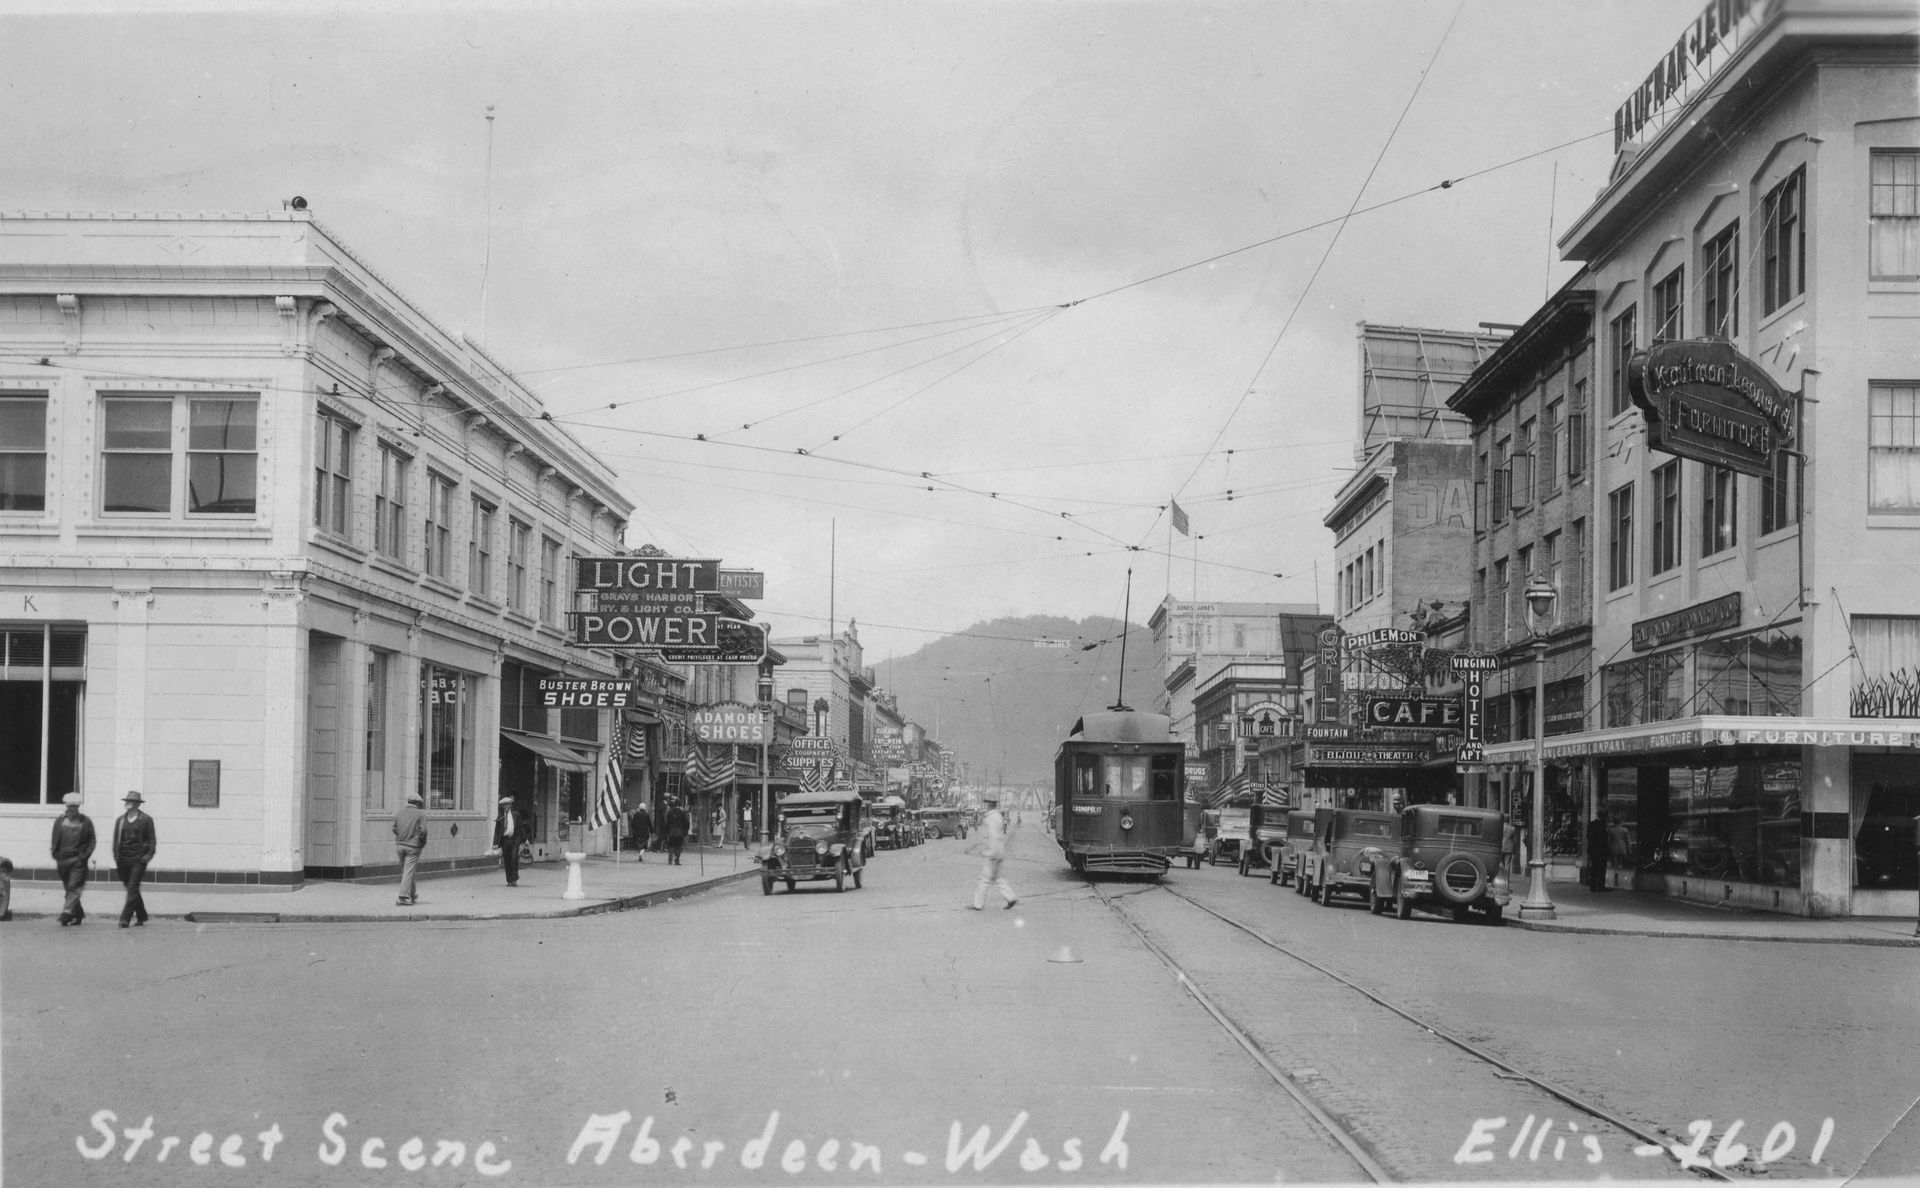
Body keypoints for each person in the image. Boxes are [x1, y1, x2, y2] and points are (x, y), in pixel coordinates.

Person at [50, 792, 96, 926]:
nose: (72, 809)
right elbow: (54, 839)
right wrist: (55, 854)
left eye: (75, 806)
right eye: (70, 806)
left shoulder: (85, 821)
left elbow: (92, 841)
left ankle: (66, 913)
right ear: (66, 806)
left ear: (78, 807)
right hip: (62, 861)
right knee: (69, 889)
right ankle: (78, 914)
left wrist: (84, 856)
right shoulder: (59, 821)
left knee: (73, 887)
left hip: (78, 860)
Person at [112, 790, 157, 927]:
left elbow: (152, 841)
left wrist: (147, 857)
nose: (127, 804)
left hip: (138, 859)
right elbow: (115, 841)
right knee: (132, 889)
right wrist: (116, 858)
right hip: (123, 860)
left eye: (130, 802)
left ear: (137, 804)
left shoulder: (146, 820)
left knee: (132, 888)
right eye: (126, 801)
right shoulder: (120, 820)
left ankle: (124, 918)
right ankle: (142, 915)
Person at [971, 794, 1018, 911]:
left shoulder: (990, 818)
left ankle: (978, 904)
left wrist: (991, 852)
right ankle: (1011, 897)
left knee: (983, 879)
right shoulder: (998, 816)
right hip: (999, 851)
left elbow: (993, 836)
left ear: (988, 805)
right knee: (997, 878)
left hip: (993, 853)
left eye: (986, 803)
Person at [393, 791, 427, 906]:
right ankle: (403, 897)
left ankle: (412, 894)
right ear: (418, 803)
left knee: (407, 871)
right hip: (413, 846)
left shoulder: (399, 813)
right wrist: (421, 842)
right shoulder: (420, 814)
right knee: (408, 871)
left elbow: (394, 829)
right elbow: (423, 831)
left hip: (400, 845)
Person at [494, 795, 530, 887]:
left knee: (514, 858)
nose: (506, 807)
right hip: (505, 841)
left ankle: (514, 879)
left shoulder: (516, 815)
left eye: (507, 805)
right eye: (504, 805)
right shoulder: (500, 817)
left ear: (510, 805)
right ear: (502, 806)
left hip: (514, 840)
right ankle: (509, 880)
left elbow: (521, 827)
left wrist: (525, 839)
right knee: (507, 860)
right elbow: (497, 831)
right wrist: (495, 844)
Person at [1585, 812, 1610, 892]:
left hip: (1593, 850)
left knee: (1594, 868)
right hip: (1601, 851)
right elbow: (1604, 839)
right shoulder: (1602, 826)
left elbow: (1588, 837)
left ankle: (1593, 886)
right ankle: (1600, 886)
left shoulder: (1591, 824)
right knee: (1601, 869)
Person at [663, 798, 691, 865]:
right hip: (680, 832)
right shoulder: (683, 812)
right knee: (678, 846)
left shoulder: (670, 812)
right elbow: (687, 822)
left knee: (671, 845)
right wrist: (686, 830)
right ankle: (677, 860)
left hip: (671, 831)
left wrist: (666, 831)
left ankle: (670, 860)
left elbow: (667, 823)